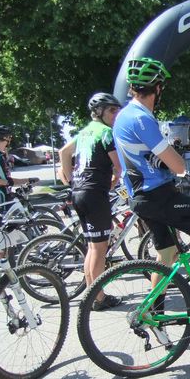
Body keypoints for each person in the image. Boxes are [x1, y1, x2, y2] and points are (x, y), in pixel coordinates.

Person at [112, 57, 190, 317]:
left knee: (167, 253)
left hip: (141, 197)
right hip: (159, 196)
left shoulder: (123, 116)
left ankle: (153, 314)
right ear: (158, 88)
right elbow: (178, 166)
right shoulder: (142, 119)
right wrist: (175, 157)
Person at [58, 93, 123, 310]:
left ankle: (92, 294)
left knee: (92, 247)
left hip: (79, 193)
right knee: (99, 249)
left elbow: (64, 152)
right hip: (94, 194)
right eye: (112, 110)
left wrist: (69, 180)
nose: (116, 114)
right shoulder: (105, 133)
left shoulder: (85, 132)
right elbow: (119, 166)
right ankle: (99, 298)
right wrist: (113, 182)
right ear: (99, 112)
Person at [0, 126, 39, 206]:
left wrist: (27, 180)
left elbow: (6, 179)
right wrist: (8, 183)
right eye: (9, 137)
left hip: (5, 195)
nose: (10, 139)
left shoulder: (1, 155)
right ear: (5, 137)